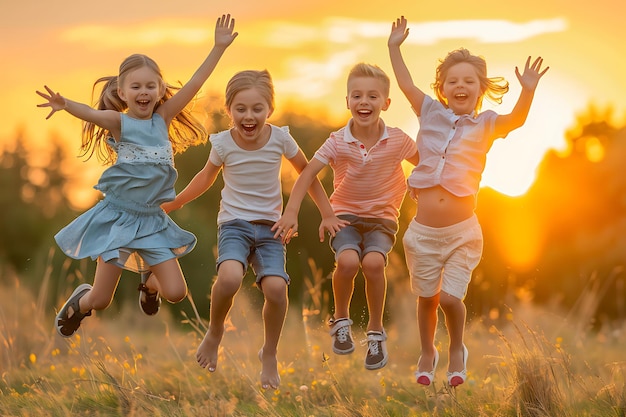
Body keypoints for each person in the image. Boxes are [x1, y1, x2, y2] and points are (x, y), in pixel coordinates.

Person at [36, 14, 238, 338]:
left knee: (176, 293)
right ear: (122, 91)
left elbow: (195, 83)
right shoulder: (119, 122)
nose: (143, 92)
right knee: (101, 300)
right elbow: (90, 113)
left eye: (150, 86)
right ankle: (79, 303)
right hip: (118, 219)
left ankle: (150, 285)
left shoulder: (163, 117)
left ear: (159, 90)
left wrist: (218, 47)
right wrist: (65, 104)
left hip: (152, 221)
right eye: (136, 86)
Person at [388, 16, 549, 386]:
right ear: (442, 89)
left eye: (469, 81)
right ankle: (429, 351)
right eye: (452, 81)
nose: (460, 86)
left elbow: (518, 120)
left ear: (480, 90)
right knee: (426, 299)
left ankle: (457, 348)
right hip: (423, 233)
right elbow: (406, 84)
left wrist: (527, 89)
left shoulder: (487, 124)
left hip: (462, 233)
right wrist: (394, 47)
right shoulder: (428, 111)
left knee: (448, 298)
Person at [161, 69, 343, 390]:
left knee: (276, 290)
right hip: (234, 225)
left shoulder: (280, 138)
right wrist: (176, 202)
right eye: (240, 109)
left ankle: (268, 352)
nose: (248, 116)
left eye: (257, 109)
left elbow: (307, 175)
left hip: (271, 229)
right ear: (229, 109)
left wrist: (325, 214)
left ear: (269, 110)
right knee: (230, 278)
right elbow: (206, 178)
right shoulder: (223, 143)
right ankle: (215, 330)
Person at [272, 63, 419, 370]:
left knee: (374, 263)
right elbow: (308, 173)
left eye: (372, 96)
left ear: (386, 103)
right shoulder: (337, 141)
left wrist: (419, 185)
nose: (364, 101)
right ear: (347, 101)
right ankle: (341, 320)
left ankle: (376, 333)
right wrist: (292, 213)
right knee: (350, 262)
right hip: (344, 217)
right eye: (357, 95)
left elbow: (425, 164)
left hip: (382, 218)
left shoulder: (399, 140)